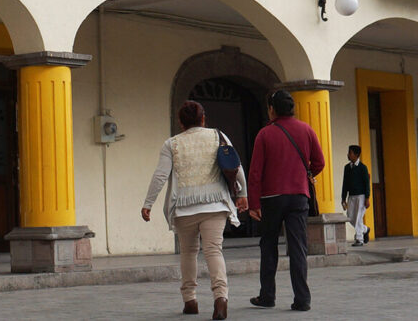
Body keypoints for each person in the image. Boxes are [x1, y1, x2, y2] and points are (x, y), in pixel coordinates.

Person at [142, 100, 248, 320]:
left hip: (184, 208)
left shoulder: (172, 144)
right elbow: (235, 166)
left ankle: (190, 300)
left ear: (181, 122)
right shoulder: (218, 136)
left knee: (189, 253)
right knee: (213, 251)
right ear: (203, 118)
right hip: (215, 204)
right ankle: (221, 298)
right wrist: (243, 194)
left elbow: (161, 175)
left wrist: (148, 203)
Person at [247, 90, 325, 313]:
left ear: (272, 109)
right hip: (299, 196)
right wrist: (305, 173)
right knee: (298, 247)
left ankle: (267, 296)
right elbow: (319, 162)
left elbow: (255, 173)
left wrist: (254, 203)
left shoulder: (264, 134)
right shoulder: (306, 130)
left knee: (269, 245)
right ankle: (302, 299)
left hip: (271, 199)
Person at [340, 144, 370, 247]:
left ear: (356, 155)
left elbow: (367, 183)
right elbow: (345, 183)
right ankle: (365, 229)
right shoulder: (347, 168)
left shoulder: (362, 168)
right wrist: (343, 198)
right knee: (350, 217)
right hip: (351, 196)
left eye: (350, 153)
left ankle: (359, 239)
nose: (348, 155)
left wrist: (367, 198)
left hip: (361, 196)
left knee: (358, 218)